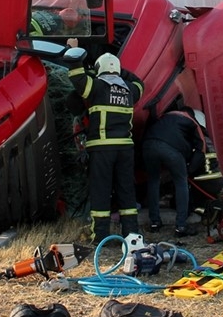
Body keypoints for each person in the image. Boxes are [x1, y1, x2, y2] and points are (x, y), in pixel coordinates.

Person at [65, 48, 144, 243]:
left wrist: (75, 57)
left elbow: (77, 78)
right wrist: (120, 72)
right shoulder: (130, 89)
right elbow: (140, 83)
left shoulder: (97, 86)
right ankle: (132, 235)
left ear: (100, 69)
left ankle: (100, 236)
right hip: (125, 149)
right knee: (126, 191)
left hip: (102, 148)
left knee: (101, 190)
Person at [142, 107, 206, 238]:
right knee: (181, 183)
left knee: (153, 181)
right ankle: (181, 226)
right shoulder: (191, 120)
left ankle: (154, 222)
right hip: (171, 149)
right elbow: (201, 149)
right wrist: (189, 169)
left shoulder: (164, 116)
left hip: (148, 145)